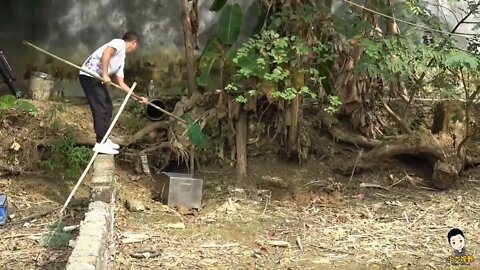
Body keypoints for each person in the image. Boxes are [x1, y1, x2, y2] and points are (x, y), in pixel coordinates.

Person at [79, 31, 148, 155]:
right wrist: (105, 74)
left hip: (98, 79)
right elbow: (106, 53)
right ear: (134, 42)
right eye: (136, 46)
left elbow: (121, 83)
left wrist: (137, 98)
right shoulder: (119, 43)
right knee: (100, 108)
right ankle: (100, 143)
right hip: (89, 75)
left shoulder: (121, 60)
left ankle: (104, 139)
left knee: (108, 107)